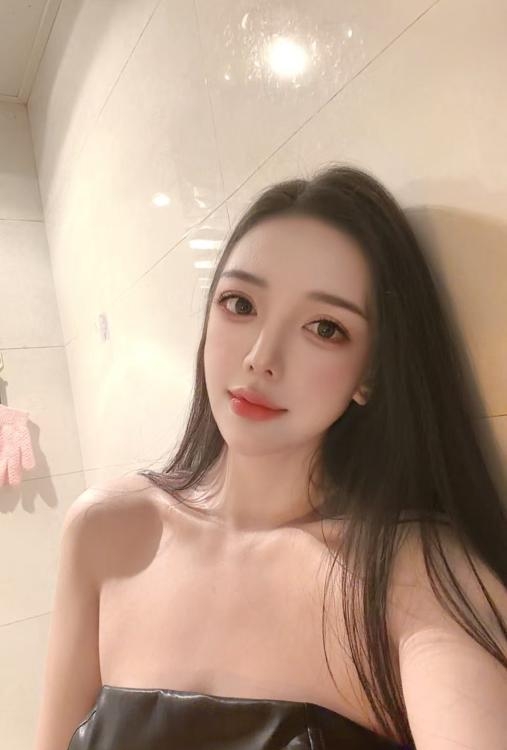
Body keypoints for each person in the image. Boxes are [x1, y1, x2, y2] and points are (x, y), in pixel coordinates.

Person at [34, 164, 507, 750]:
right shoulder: (106, 530)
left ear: (371, 373)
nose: (261, 357)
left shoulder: (413, 575)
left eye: (324, 328)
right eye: (239, 303)